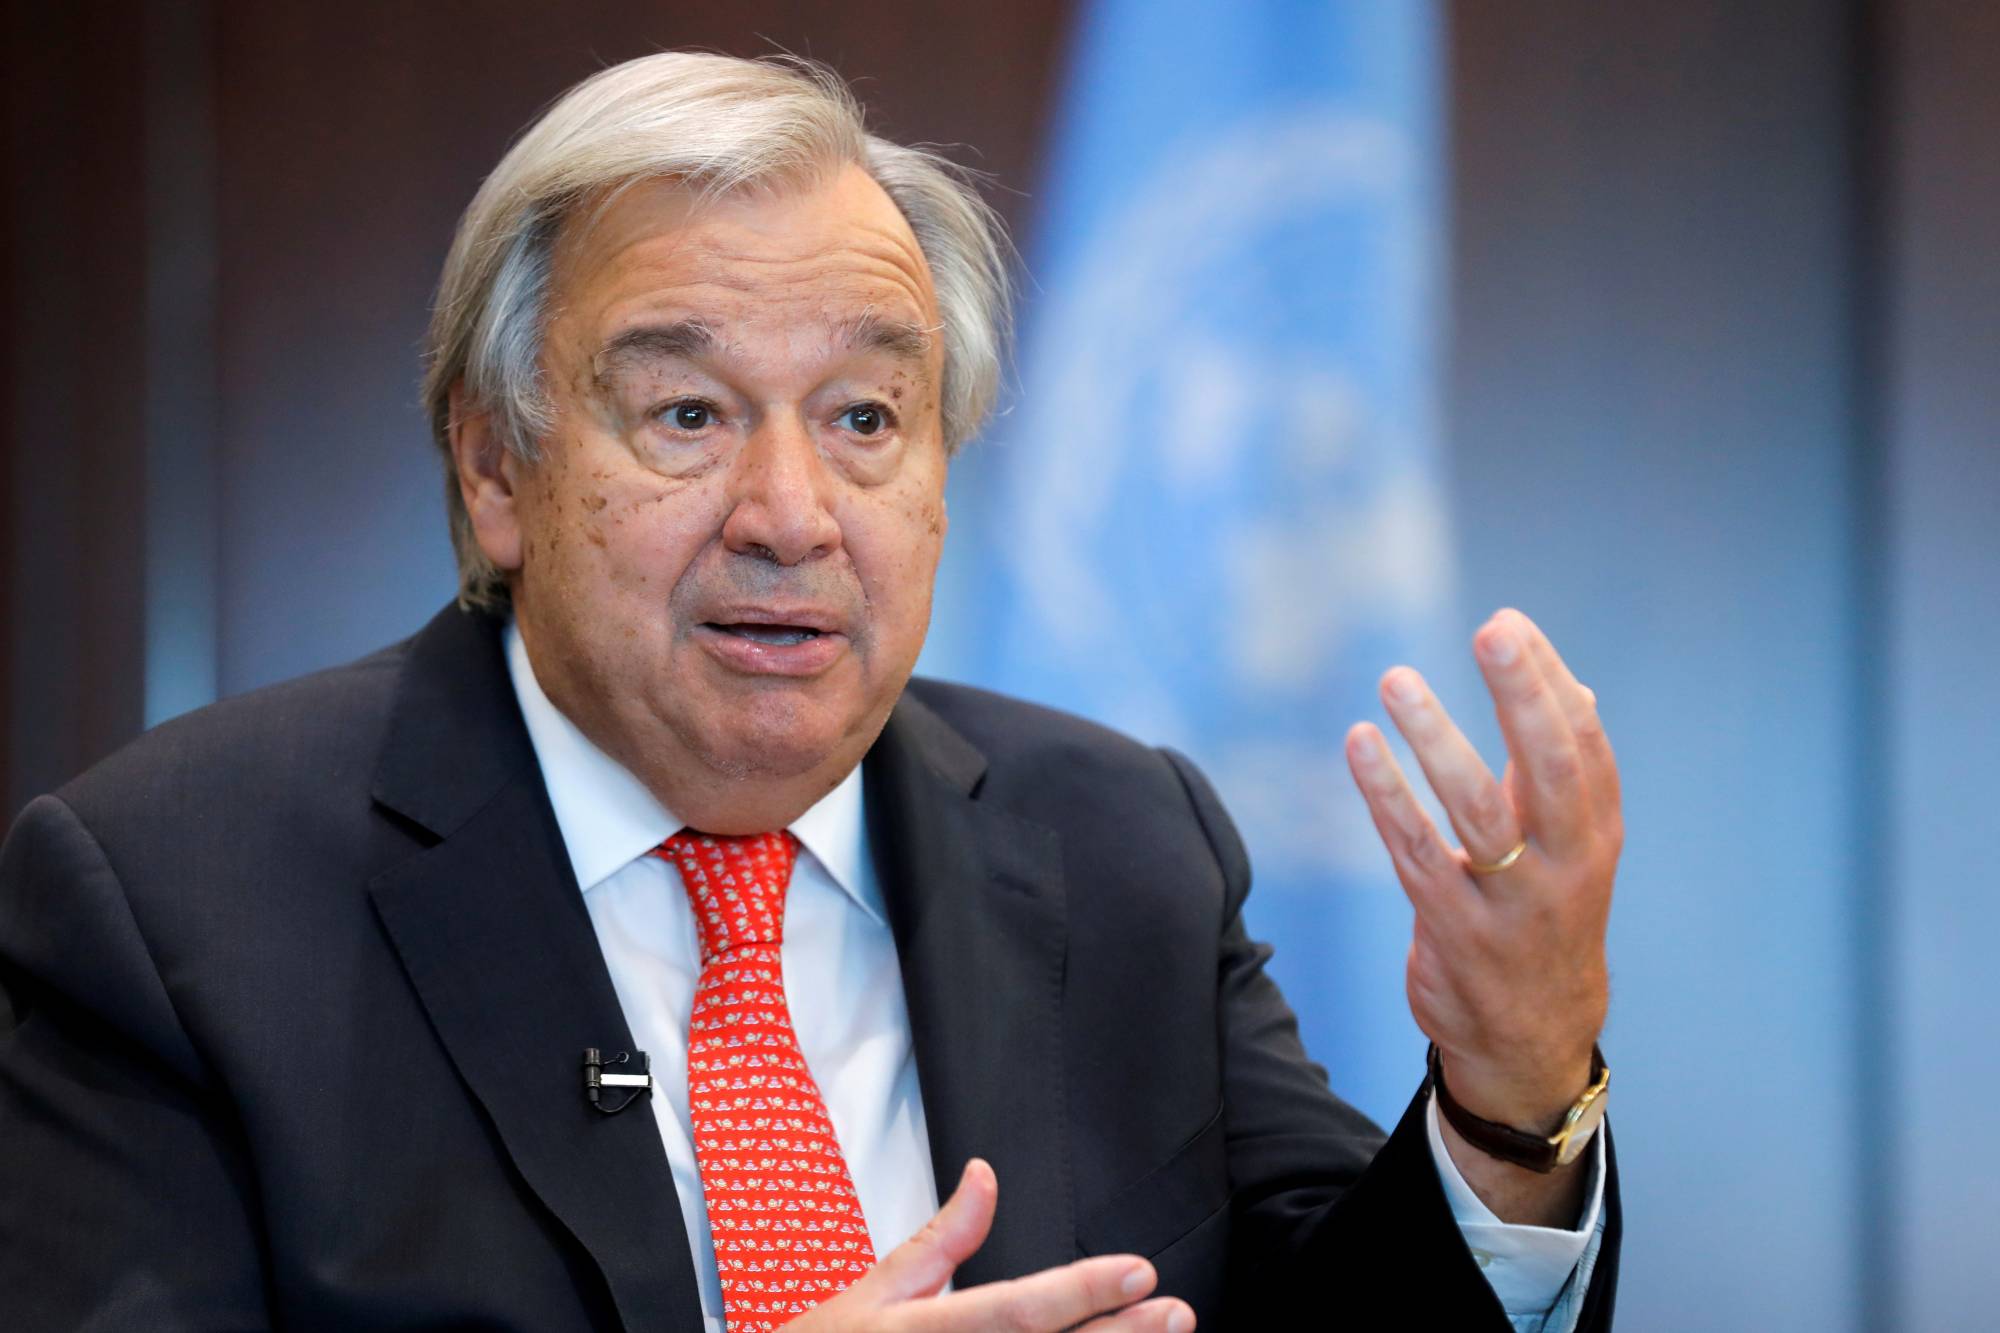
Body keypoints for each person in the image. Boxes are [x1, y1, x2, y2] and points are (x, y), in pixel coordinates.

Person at [0, 52, 1620, 1331]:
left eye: (863, 418)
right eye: (690, 412)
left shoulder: (1122, 841)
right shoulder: (168, 901)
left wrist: (1513, 1099)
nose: (791, 514)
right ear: (497, 468)